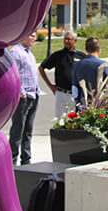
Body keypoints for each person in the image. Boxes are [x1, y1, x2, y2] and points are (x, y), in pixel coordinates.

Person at [9, 32, 41, 166]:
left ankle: (26, 160)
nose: (34, 38)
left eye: (35, 36)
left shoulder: (29, 53)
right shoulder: (16, 52)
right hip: (23, 98)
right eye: (32, 35)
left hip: (33, 95)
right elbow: (13, 74)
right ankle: (12, 160)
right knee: (18, 130)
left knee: (28, 130)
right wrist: (21, 92)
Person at [39, 31, 85, 117]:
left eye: (69, 39)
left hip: (76, 95)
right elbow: (41, 68)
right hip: (61, 94)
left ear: (75, 41)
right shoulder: (57, 55)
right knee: (60, 120)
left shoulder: (81, 56)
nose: (66, 41)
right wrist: (50, 86)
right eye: (65, 39)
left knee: (76, 122)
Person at [71, 37, 108, 106]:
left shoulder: (76, 65)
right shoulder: (104, 65)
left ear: (86, 49)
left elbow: (74, 88)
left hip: (83, 105)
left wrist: (77, 102)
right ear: (99, 49)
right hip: (100, 105)